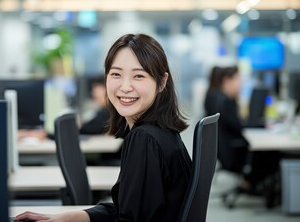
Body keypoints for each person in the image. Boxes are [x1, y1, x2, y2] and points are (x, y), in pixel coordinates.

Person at [14, 33, 192, 221]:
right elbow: (129, 209)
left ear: (162, 82)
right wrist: (70, 217)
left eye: (138, 76)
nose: (125, 87)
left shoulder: (145, 139)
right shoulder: (162, 133)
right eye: (116, 74)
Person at [204, 65, 281, 207]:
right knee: (273, 155)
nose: (241, 85)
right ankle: (250, 184)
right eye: (238, 81)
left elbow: (237, 126)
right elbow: (240, 127)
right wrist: (261, 126)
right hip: (234, 153)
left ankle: (250, 184)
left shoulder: (220, 98)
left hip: (226, 152)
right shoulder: (225, 101)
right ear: (227, 81)